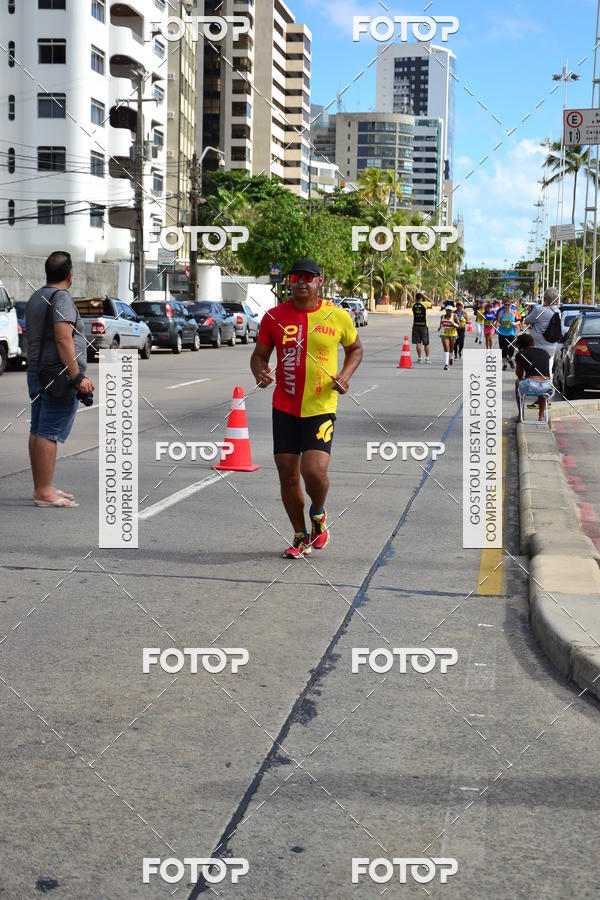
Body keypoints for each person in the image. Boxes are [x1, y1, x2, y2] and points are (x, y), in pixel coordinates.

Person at [250, 258, 363, 558]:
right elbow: (259, 356)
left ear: (319, 281)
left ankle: (318, 513)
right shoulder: (274, 317)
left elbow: (355, 349)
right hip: (284, 408)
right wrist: (259, 372)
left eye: (308, 277)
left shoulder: (337, 316)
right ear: (290, 281)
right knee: (288, 476)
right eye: (296, 277)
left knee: (314, 471)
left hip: (320, 406)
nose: (301, 282)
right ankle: (300, 536)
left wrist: (345, 376)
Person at [25, 251, 94, 508]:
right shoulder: (61, 298)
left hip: (37, 372)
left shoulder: (36, 297)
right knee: (49, 431)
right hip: (58, 376)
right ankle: (44, 492)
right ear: (69, 275)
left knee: (38, 429)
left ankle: (42, 487)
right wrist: (77, 376)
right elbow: (63, 338)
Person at [514, 332, 553, 422]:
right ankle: (541, 415)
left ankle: (521, 415)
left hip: (531, 385)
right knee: (542, 387)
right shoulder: (544, 352)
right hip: (548, 386)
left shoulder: (520, 354)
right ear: (533, 342)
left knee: (517, 382)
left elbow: (519, 375)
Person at [524, 287, 561, 375]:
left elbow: (526, 321)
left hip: (537, 348)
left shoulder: (539, 310)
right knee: (548, 372)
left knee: (534, 373)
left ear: (544, 299)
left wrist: (532, 324)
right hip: (551, 348)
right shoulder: (558, 311)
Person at [495, 297, 518, 370]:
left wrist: (515, 323)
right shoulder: (501, 313)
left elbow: (519, 321)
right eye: (506, 305)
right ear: (504, 305)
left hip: (511, 333)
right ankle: (504, 364)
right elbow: (497, 322)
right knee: (503, 349)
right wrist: (497, 324)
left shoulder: (514, 312)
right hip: (502, 333)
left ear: (510, 305)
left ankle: (510, 359)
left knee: (511, 349)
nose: (507, 306)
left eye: (508, 305)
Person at [411, 291, 432, 364]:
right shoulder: (424, 304)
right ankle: (427, 358)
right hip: (424, 326)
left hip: (416, 325)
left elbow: (412, 302)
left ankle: (420, 358)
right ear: (421, 298)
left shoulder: (413, 305)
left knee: (418, 343)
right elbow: (432, 302)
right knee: (426, 343)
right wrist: (425, 296)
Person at [438, 304, 459, 369]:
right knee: (446, 348)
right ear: (446, 310)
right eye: (447, 310)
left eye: (450, 310)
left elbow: (459, 325)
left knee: (451, 349)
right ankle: (446, 364)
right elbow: (441, 323)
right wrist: (439, 327)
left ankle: (451, 357)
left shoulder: (454, 316)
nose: (448, 312)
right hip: (444, 334)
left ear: (452, 311)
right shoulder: (442, 316)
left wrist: (454, 324)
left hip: (453, 334)